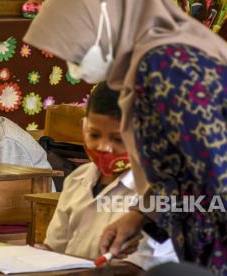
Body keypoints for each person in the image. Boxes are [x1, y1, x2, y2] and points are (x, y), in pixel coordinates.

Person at [23, 0, 227, 275]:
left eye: (78, 49)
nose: (74, 66)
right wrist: (138, 216)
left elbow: (222, 173)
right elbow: (180, 163)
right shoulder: (158, 59)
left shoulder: (165, 69)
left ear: (106, 27)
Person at [34, 82, 178, 270]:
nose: (103, 147)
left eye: (118, 139)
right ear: (83, 126)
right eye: (94, 135)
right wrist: (41, 254)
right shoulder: (77, 179)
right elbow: (56, 247)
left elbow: (138, 267)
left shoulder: (161, 192)